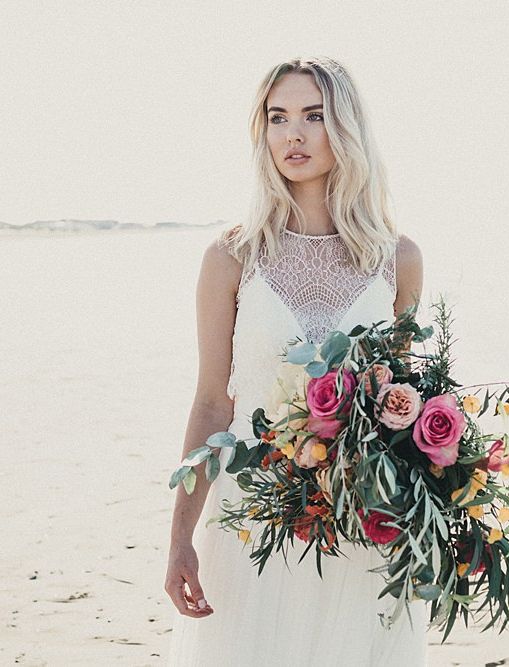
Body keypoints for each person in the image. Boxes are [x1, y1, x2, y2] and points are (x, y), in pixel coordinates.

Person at [165, 56, 425, 666]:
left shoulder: (398, 258)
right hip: (250, 517)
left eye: (314, 115)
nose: (294, 134)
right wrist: (179, 538)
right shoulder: (231, 256)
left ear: (347, 128)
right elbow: (211, 401)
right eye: (277, 117)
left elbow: (401, 404)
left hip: (358, 523)